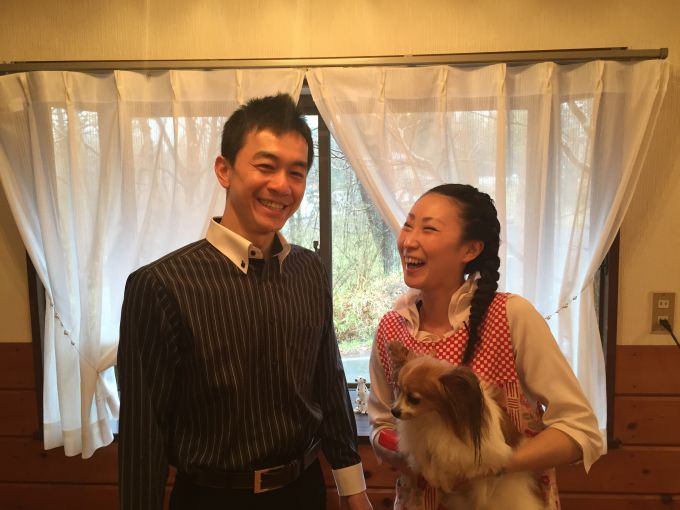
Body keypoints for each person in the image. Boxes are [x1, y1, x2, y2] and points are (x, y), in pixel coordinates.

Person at [118, 93, 372, 510]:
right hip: (211, 498)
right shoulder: (161, 285)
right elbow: (144, 432)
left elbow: (328, 380)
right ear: (225, 170)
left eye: (296, 172)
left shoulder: (310, 270)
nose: (282, 185)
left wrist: (353, 487)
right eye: (266, 166)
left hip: (305, 491)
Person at [367, 183, 603, 509]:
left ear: (470, 249)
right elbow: (381, 424)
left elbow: (578, 430)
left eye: (429, 229)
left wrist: (490, 464)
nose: (408, 240)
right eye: (408, 226)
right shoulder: (392, 328)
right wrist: (416, 454)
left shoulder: (511, 316)